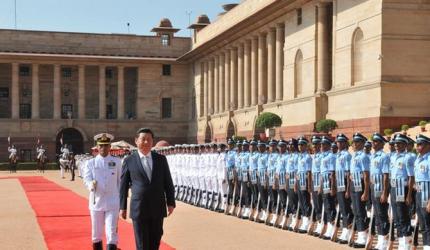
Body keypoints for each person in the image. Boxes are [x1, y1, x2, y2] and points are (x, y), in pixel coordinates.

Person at [119, 128, 175, 250]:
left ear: (152, 142)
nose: (146, 142)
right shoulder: (129, 160)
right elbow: (123, 186)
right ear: (136, 141)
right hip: (139, 208)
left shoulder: (161, 159)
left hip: (157, 207)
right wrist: (122, 207)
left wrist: (171, 202)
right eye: (143, 139)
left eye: (149, 139)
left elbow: (168, 182)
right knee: (142, 244)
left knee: (155, 241)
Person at [82, 133, 121, 250]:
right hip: (96, 202)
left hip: (112, 202)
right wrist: (91, 185)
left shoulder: (117, 162)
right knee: (96, 234)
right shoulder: (91, 163)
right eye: (101, 146)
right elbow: (86, 179)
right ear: (97, 147)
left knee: (111, 233)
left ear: (110, 147)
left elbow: (120, 181)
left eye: (106, 145)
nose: (103, 148)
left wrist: (119, 197)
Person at [414, 134, 430, 250]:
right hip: (419, 193)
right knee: (422, 221)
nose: (418, 146)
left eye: (420, 144)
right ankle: (426, 245)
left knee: (427, 221)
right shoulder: (418, 158)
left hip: (427, 193)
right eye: (417, 144)